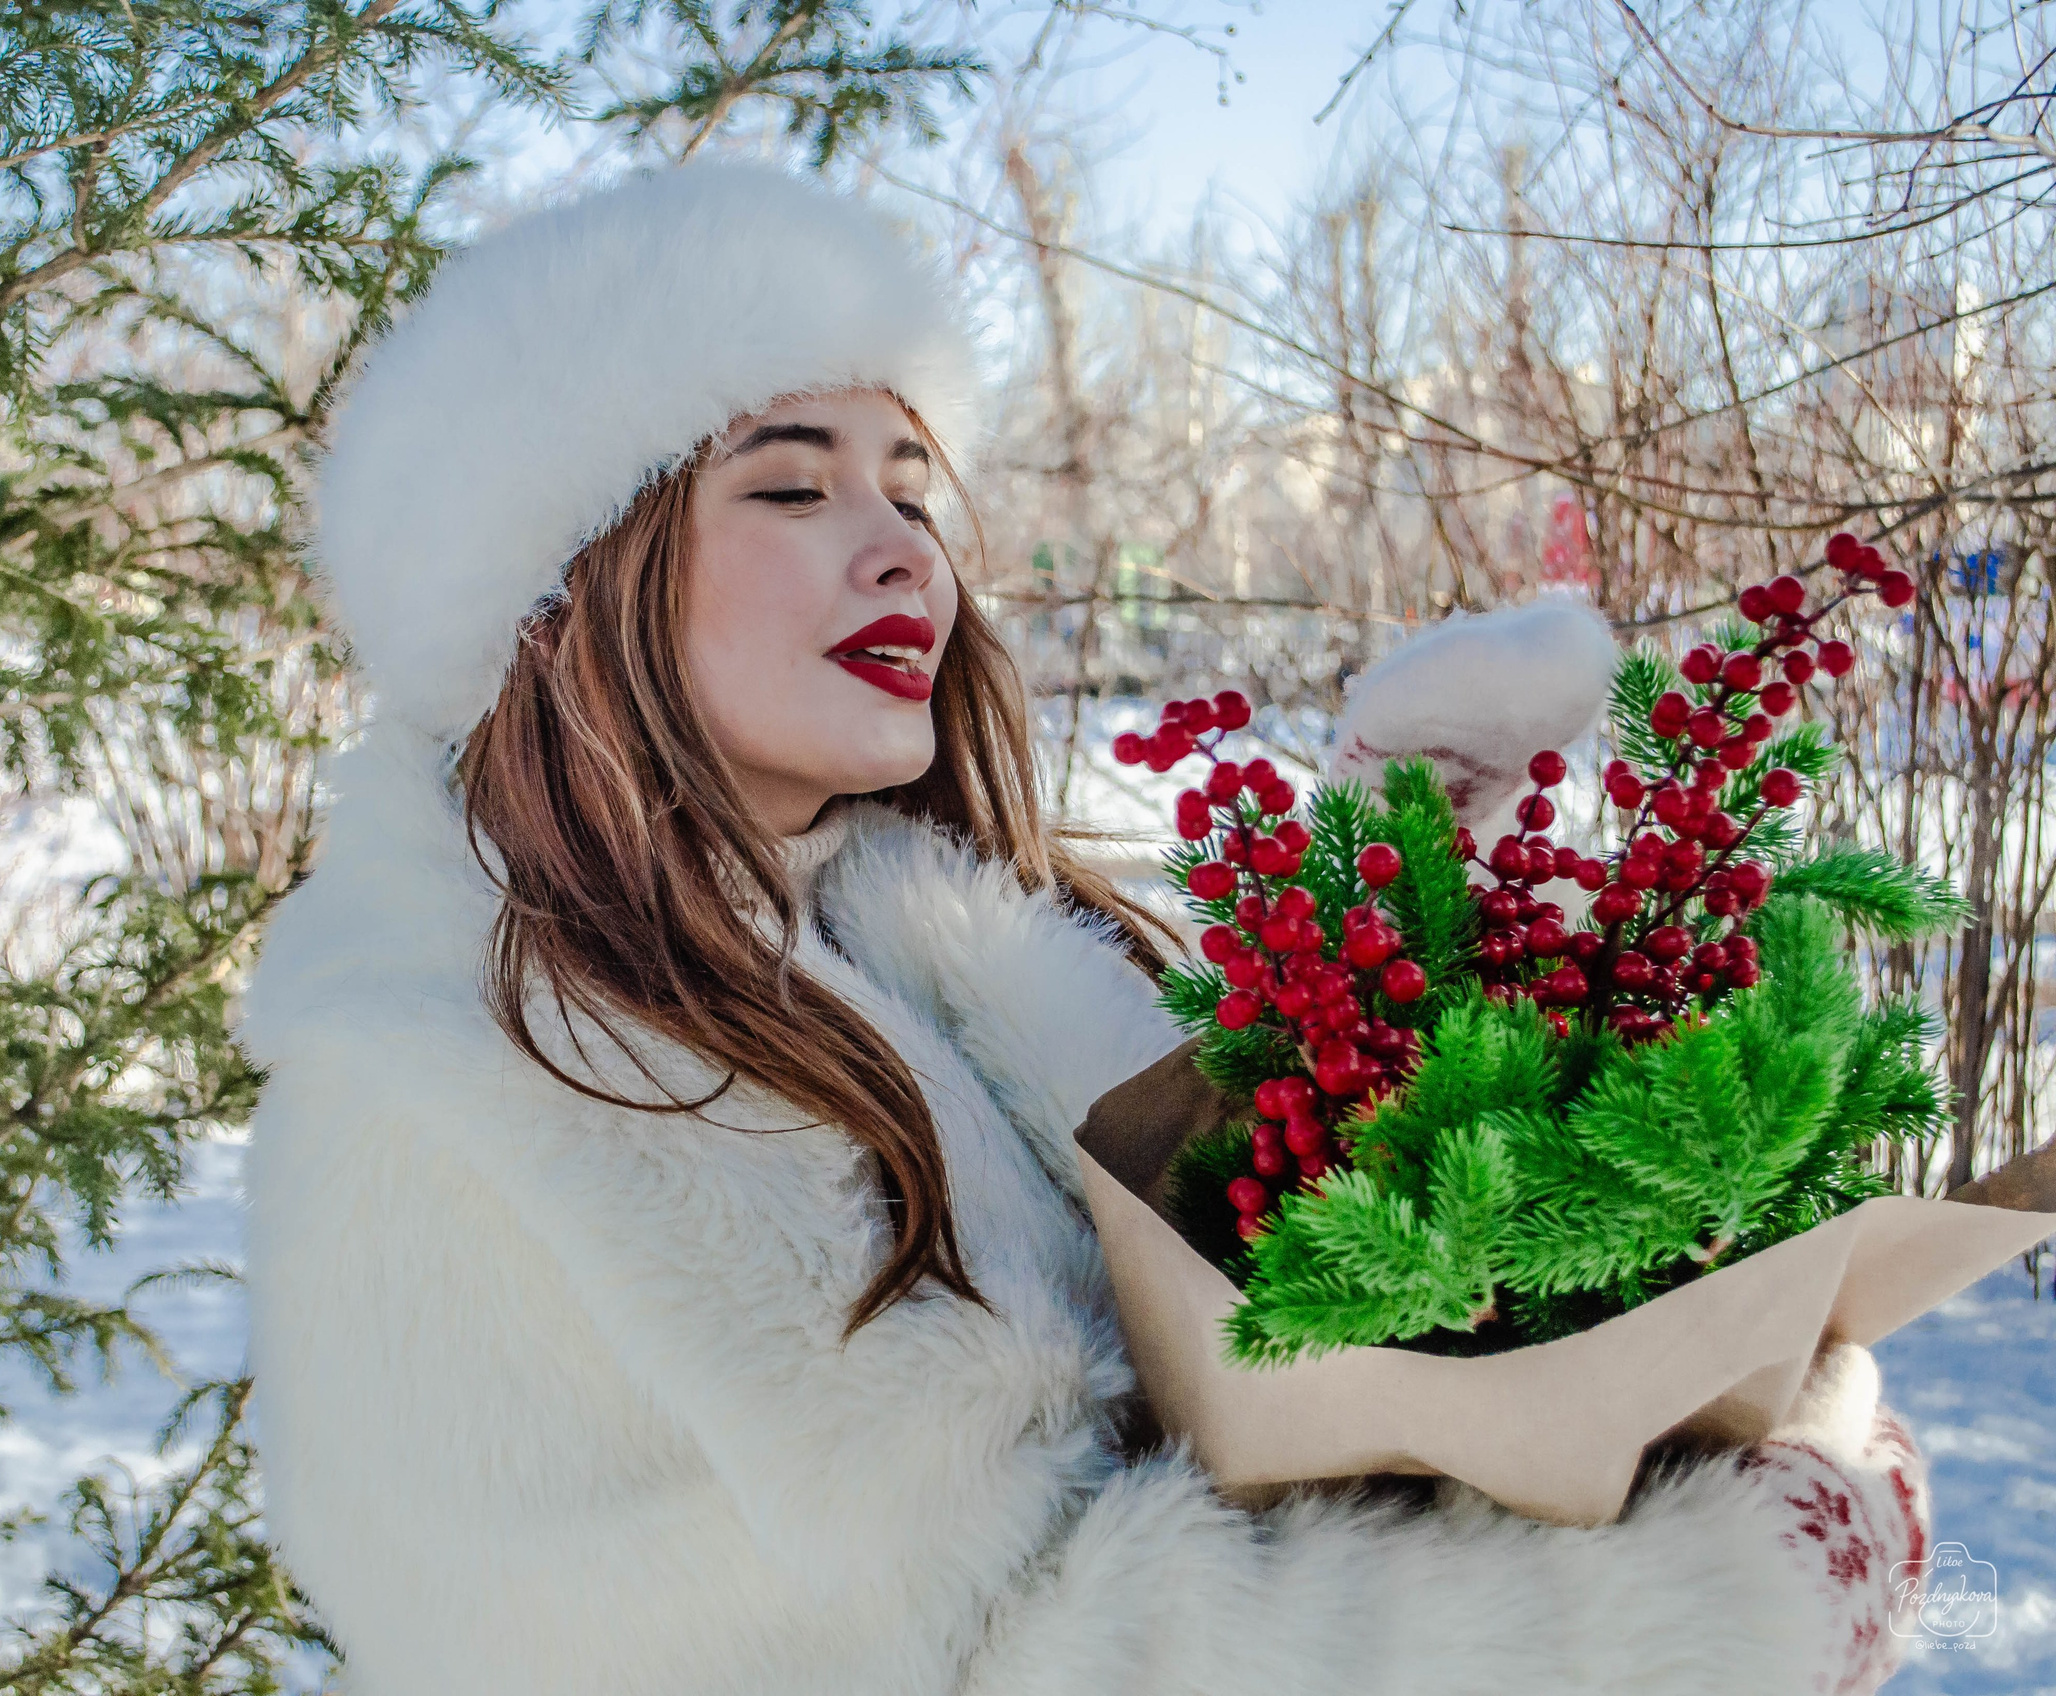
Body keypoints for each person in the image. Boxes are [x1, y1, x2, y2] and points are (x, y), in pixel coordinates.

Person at [236, 160, 1930, 1696]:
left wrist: (1407, 932)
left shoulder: (889, 932)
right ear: (564, 591)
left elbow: (1226, 1319)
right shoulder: (492, 1077)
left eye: (912, 491)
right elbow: (1033, 1640)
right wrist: (1712, 1598)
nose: (904, 555)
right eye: (793, 489)